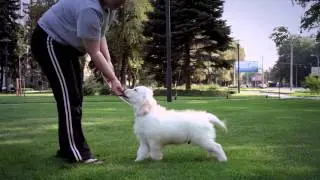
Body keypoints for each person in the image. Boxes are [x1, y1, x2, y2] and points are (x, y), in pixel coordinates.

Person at [30, 0, 125, 164]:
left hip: (67, 47)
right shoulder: (90, 9)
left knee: (75, 96)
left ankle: (67, 148)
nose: (123, 2)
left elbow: (100, 35)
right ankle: (78, 154)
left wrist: (109, 65)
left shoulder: (109, 8)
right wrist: (113, 79)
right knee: (69, 98)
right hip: (49, 41)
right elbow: (94, 52)